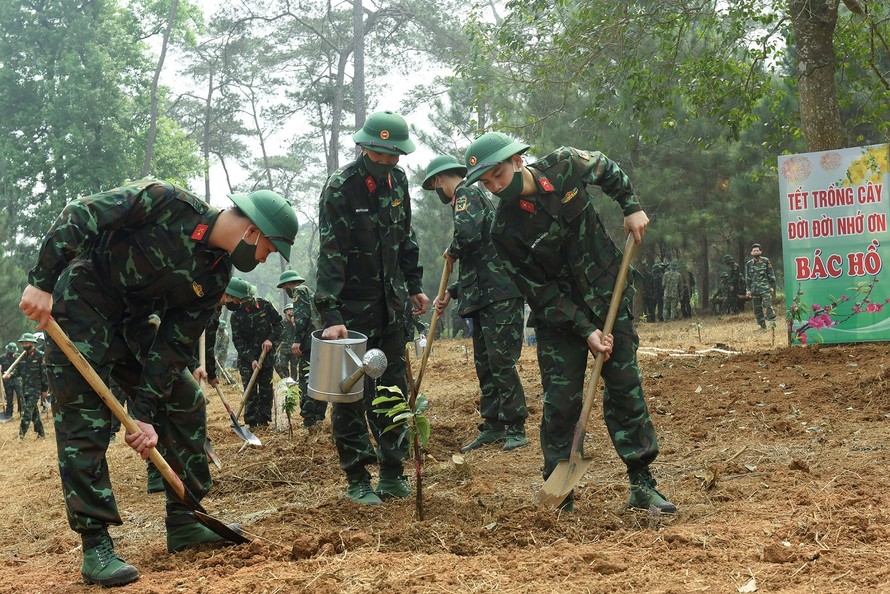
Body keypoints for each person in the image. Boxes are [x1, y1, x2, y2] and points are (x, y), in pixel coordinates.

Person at [18, 179, 297, 587]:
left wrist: (145, 414)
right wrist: (41, 281)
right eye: (270, 247)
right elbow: (82, 212)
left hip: (132, 324)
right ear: (252, 231)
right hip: (80, 306)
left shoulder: (217, 275)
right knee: (84, 423)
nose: (268, 256)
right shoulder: (165, 201)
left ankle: (185, 519)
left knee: (184, 397)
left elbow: (172, 345)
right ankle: (96, 545)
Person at [464, 132, 675, 513]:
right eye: (487, 182)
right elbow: (538, 292)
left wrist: (631, 206)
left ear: (516, 161)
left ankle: (642, 483)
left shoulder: (564, 165)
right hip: (560, 320)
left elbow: (607, 169)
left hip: (608, 294)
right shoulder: (504, 230)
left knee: (626, 390)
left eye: (498, 174)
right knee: (561, 403)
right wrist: (585, 329)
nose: (495, 186)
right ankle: (559, 495)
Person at [315, 110, 429, 505]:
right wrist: (330, 315)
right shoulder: (340, 188)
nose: (389, 162)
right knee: (350, 395)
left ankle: (393, 471)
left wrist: (414, 285)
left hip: (391, 308)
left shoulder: (398, 182)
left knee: (393, 388)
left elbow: (406, 237)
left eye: (395, 155)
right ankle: (358, 479)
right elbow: (331, 253)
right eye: (382, 154)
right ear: (364, 147)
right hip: (352, 314)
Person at [422, 154, 528, 453]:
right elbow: (480, 258)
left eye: (436, 184)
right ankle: (493, 425)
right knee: (485, 364)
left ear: (440, 179)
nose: (438, 189)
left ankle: (516, 426)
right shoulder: (469, 197)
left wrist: (451, 250)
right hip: (483, 295)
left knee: (501, 361)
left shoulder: (466, 193)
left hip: (500, 295)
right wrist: (453, 292)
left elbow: (467, 236)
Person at [229, 278, 282, 430]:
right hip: (247, 360)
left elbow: (279, 324)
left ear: (241, 298)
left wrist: (270, 339)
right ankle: (252, 423)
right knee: (250, 390)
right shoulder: (236, 316)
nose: (232, 300)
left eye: (233, 297)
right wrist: (251, 359)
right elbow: (238, 341)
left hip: (266, 356)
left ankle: (264, 421)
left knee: (266, 389)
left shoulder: (266, 306)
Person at [2, 333, 48, 439]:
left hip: (35, 388)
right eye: (23, 343)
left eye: (27, 342)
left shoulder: (40, 355)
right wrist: (9, 375)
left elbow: (44, 374)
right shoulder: (22, 357)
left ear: (32, 343)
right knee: (34, 411)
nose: (25, 344)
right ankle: (41, 433)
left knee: (27, 411)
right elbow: (17, 371)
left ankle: (21, 435)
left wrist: (44, 390)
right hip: (25, 388)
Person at [745, 242, 777, 330]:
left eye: (757, 250)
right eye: (754, 251)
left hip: (765, 288)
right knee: (757, 309)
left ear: (760, 252)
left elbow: (771, 275)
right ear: (751, 253)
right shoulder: (749, 264)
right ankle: (762, 326)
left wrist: (772, 287)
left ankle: (772, 325)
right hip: (754, 289)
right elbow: (748, 278)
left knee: (768, 306)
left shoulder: (766, 261)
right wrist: (748, 290)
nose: (756, 252)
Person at [1, 342, 23, 422]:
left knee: (20, 396)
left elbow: (22, 368)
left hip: (17, 380)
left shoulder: (18, 356)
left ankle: (22, 412)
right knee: (9, 399)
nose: (11, 354)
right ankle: (9, 415)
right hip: (7, 382)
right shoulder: (2, 358)